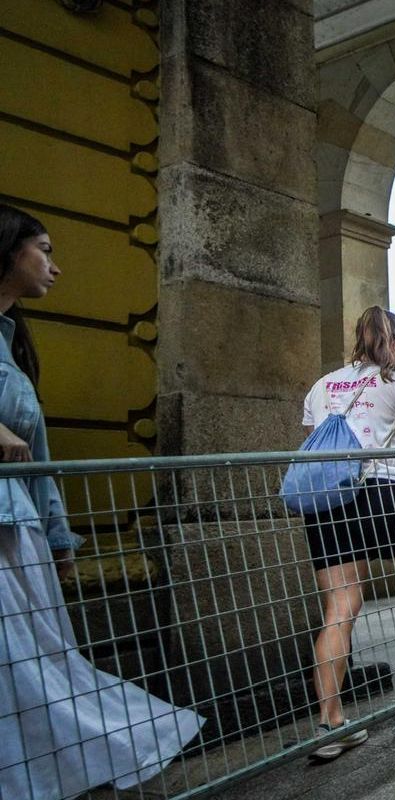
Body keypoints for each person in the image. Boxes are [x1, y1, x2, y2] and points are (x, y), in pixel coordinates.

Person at [0, 204, 205, 797]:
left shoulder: (14, 345)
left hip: (19, 534)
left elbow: (40, 459)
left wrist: (59, 537)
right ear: (9, 250)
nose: (55, 267)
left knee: (36, 671)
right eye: (44, 249)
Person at [300, 307, 395, 761]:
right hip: (386, 491)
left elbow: (313, 441)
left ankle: (331, 725)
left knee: (340, 607)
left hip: (329, 499)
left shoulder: (321, 385)